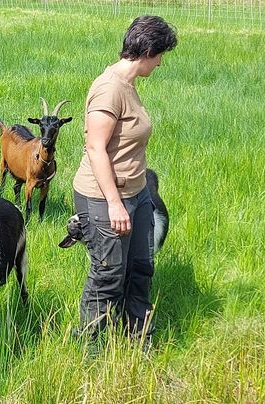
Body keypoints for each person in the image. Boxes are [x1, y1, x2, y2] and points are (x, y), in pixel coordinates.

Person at [71, 16, 177, 344]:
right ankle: (91, 349)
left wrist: (136, 194)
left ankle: (139, 339)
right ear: (146, 50)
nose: (161, 63)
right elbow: (95, 147)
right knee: (108, 276)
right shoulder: (109, 88)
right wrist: (115, 203)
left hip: (138, 192)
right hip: (105, 199)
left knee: (141, 269)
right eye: (160, 55)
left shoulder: (128, 85)